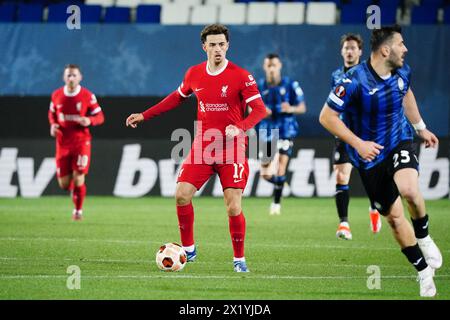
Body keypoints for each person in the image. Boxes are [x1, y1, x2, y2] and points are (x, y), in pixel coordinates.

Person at [125, 24, 266, 272]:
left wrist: (241, 126)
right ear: (204, 47)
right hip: (203, 145)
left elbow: (260, 110)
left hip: (232, 148)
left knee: (233, 205)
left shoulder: (241, 76)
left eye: (222, 44)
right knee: (181, 195)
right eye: (212, 44)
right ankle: (189, 250)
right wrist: (145, 115)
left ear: (228, 46)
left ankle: (239, 259)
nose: (218, 49)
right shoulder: (194, 74)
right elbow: (176, 98)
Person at [319, 25, 442, 297]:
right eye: (401, 44)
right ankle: (422, 272)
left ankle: (424, 236)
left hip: (398, 140)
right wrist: (359, 144)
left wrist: (420, 127)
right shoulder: (352, 81)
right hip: (369, 157)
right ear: (385, 50)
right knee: (395, 218)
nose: (406, 49)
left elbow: (406, 93)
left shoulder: (402, 72)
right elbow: (326, 117)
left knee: (409, 189)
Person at [330, 33, 382, 240]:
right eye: (346, 48)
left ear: (360, 52)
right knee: (341, 176)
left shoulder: (370, 74)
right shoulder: (335, 75)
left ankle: (374, 208)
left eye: (353, 48)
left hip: (366, 134)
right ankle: (344, 224)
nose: (349, 51)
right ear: (341, 51)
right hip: (344, 133)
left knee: (371, 178)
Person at [48, 64, 104, 221]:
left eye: (74, 75)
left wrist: (89, 120)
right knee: (64, 184)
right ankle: (75, 191)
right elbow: (52, 114)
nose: (71, 78)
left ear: (80, 77)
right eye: (68, 75)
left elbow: (100, 117)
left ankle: (78, 211)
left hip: (81, 142)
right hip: (62, 142)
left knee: (79, 177)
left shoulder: (87, 95)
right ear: (64, 77)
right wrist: (53, 125)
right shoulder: (56, 95)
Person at [256, 53, 306, 215]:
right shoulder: (259, 86)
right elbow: (250, 107)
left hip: (285, 129)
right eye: (268, 65)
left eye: (274, 65)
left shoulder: (290, 84)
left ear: (280, 66)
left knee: (280, 167)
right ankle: (280, 183)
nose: (271, 68)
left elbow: (302, 107)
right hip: (267, 131)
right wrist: (261, 111)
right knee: (265, 171)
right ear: (265, 67)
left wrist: (290, 108)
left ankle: (276, 204)